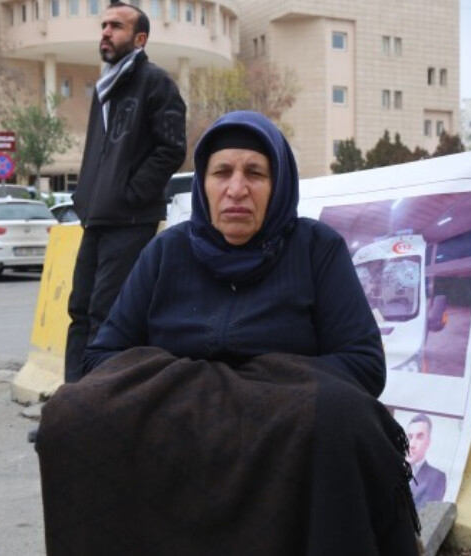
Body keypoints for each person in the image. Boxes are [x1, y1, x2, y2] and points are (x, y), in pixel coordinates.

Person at [36, 111, 421, 555]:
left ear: (279, 184)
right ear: (203, 184)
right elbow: (102, 359)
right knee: (69, 413)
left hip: (285, 433)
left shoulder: (317, 249)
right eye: (222, 172)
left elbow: (364, 365)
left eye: (255, 173)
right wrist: (199, 394)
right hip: (173, 426)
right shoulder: (165, 252)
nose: (236, 189)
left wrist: (255, 395)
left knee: (343, 415)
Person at [65, 1, 186, 383]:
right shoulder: (106, 86)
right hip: (96, 216)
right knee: (79, 309)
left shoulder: (156, 82)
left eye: (116, 26)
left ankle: (97, 401)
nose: (106, 31)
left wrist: (132, 193)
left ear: (140, 38)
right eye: (104, 25)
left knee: (106, 313)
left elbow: (172, 148)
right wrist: (85, 197)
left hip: (130, 219)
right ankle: (72, 397)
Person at [406, 412, 448, 509]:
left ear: (428, 442)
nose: (411, 444)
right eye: (409, 437)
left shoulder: (436, 478)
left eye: (419, 437)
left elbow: (424, 516)